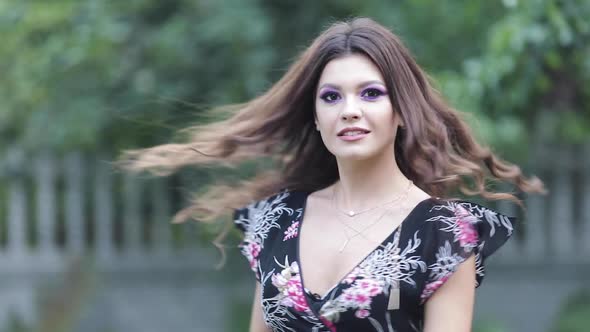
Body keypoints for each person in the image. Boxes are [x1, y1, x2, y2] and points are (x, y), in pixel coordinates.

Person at [122, 17, 545, 332]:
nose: (349, 110)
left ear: (400, 112)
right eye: (331, 96)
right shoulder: (275, 220)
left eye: (371, 93)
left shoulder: (447, 233)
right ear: (317, 117)